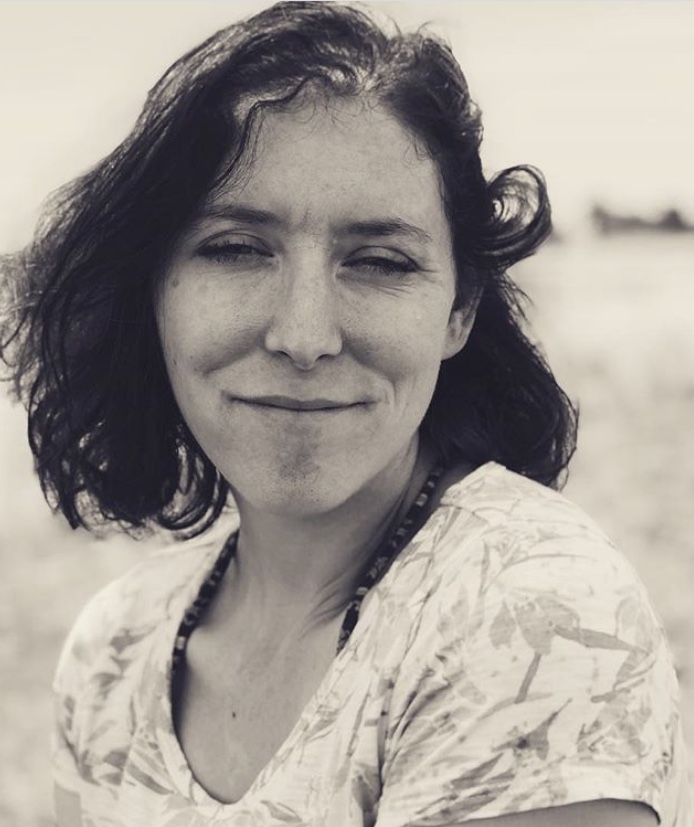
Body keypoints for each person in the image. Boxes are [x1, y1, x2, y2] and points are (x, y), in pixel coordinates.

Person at [0, 2, 691, 825]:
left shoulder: (531, 614)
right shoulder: (112, 652)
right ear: (153, 291)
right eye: (236, 248)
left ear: (459, 310)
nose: (303, 336)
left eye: (379, 261)